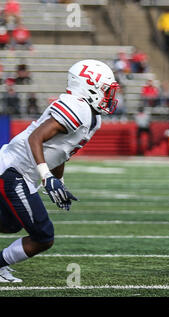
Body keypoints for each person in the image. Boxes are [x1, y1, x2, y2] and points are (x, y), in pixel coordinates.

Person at [0, 59, 120, 282]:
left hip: (21, 172)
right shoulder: (78, 106)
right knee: (43, 236)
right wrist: (46, 177)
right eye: (105, 90)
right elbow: (37, 138)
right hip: (14, 171)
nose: (109, 96)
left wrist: (59, 180)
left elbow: (60, 151)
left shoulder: (93, 117)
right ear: (88, 86)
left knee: (11, 223)